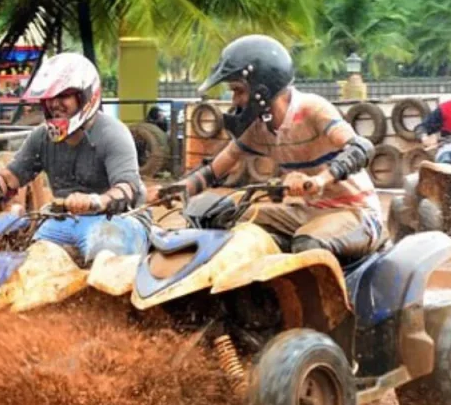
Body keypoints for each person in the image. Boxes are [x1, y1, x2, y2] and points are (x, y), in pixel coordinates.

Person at [152, 34, 386, 263]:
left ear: (261, 90)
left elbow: (361, 147)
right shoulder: (259, 127)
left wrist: (320, 181)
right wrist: (176, 190)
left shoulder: (313, 109)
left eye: (238, 90)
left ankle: (325, 300)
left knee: (307, 244)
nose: (234, 100)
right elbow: (215, 169)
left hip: (354, 212)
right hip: (306, 213)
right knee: (221, 218)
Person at [0, 52, 150, 264]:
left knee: (104, 250)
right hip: (62, 221)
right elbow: (10, 178)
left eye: (63, 96)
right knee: (28, 262)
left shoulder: (112, 133)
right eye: (49, 98)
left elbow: (127, 187)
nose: (55, 104)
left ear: (85, 96)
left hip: (120, 220)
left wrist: (96, 201)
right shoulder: (42, 137)